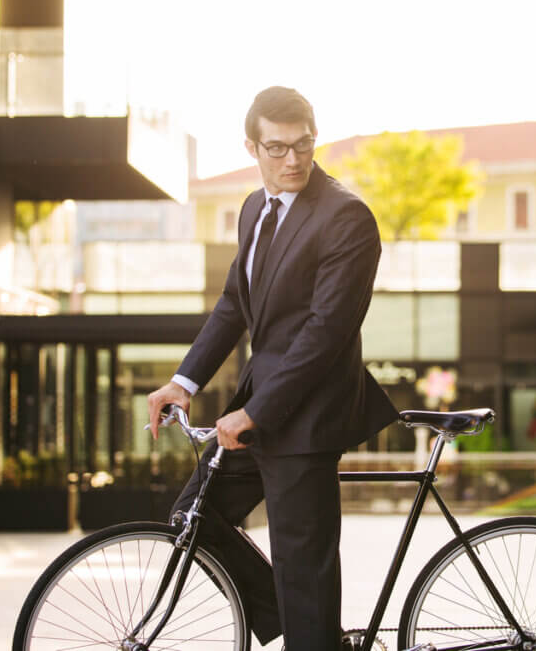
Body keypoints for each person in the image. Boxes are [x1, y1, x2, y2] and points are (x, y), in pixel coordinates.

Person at [147, 86, 397, 650]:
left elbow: (326, 334)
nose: (293, 161)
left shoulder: (345, 216)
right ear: (251, 148)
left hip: (307, 421)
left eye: (303, 145)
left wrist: (255, 411)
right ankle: (307, 631)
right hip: (262, 411)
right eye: (278, 148)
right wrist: (184, 381)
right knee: (194, 517)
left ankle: (310, 631)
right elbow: (236, 301)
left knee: (301, 565)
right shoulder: (256, 209)